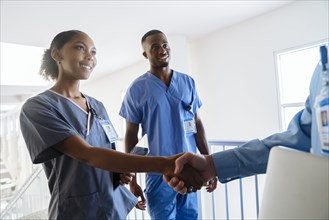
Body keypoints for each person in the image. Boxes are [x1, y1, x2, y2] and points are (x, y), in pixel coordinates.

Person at [19, 30, 203, 220]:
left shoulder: (97, 106)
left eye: (94, 51)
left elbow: (108, 151)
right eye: (80, 48)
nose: (89, 56)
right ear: (56, 54)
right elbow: (87, 154)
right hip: (76, 210)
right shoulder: (38, 107)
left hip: (112, 208)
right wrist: (165, 164)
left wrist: (121, 174)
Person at [164, 45, 329, 194]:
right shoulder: (322, 71)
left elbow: (197, 121)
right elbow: (299, 140)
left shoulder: (187, 83)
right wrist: (213, 164)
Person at [119, 29, 217, 220]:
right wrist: (133, 178)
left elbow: (197, 123)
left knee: (190, 217)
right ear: (145, 54)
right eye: (154, 47)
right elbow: (132, 135)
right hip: (158, 170)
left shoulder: (187, 82)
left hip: (190, 167)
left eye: (164, 45)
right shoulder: (137, 88)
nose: (161, 49)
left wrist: (209, 163)